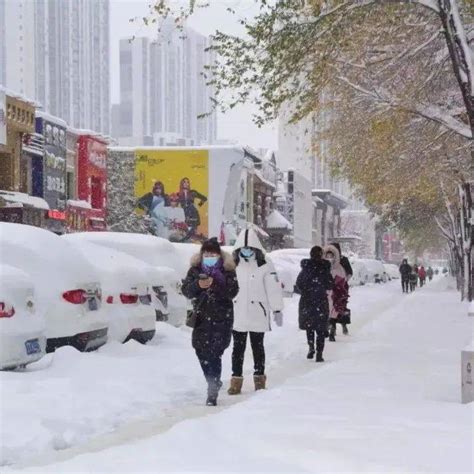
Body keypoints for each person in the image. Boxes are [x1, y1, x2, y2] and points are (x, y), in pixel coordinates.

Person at [181, 238, 239, 406]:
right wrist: (199, 285)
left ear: (218, 254)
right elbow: (187, 291)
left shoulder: (227, 270)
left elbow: (233, 292)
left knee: (215, 353)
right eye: (206, 253)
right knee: (200, 351)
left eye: (212, 253)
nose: (209, 256)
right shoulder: (195, 270)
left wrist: (218, 284)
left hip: (222, 317)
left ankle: (212, 390)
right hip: (201, 318)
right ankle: (212, 379)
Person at [227, 228, 284, 395]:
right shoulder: (232, 264)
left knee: (258, 347)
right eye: (244, 248)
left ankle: (259, 379)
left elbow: (272, 288)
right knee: (238, 348)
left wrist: (277, 309)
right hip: (238, 313)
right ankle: (236, 380)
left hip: (258, 312)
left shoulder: (265, 264)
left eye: (250, 248)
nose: (247, 251)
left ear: (255, 249)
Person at [295, 246, 333, 362]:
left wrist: (306, 291)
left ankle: (311, 346)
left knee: (309, 326)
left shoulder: (306, 268)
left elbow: (299, 284)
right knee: (321, 328)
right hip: (321, 301)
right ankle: (319, 353)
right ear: (321, 254)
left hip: (307, 301)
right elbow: (330, 284)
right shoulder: (325, 269)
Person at [324, 245, 349, 342]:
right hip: (325, 294)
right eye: (327, 256)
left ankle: (333, 330)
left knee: (335, 311)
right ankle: (328, 327)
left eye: (331, 256)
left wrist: (339, 288)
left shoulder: (339, 267)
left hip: (336, 293)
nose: (329, 259)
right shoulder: (323, 267)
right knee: (326, 311)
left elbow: (343, 278)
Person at [330, 242, 352, 335]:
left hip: (340, 287)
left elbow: (349, 272)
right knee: (335, 306)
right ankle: (334, 325)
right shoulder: (329, 260)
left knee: (338, 306)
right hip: (334, 287)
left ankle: (342, 325)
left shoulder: (343, 260)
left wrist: (343, 280)